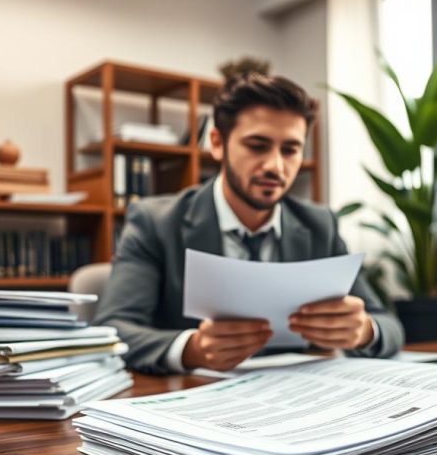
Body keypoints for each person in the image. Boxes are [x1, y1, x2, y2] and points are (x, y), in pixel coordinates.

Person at [95, 67, 404, 374]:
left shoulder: (318, 224)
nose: (276, 166)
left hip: (296, 395)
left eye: (290, 149)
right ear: (217, 143)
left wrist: (364, 330)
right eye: (257, 146)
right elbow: (113, 329)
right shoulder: (156, 222)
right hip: (195, 398)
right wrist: (193, 349)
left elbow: (389, 326)